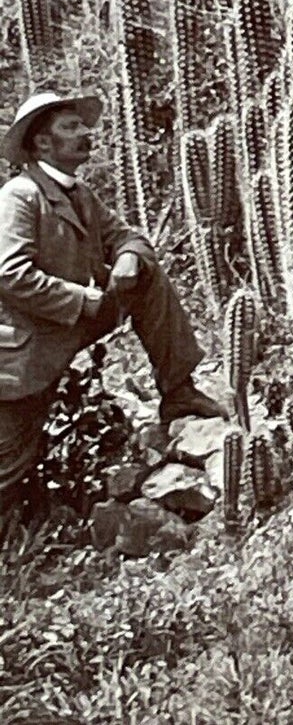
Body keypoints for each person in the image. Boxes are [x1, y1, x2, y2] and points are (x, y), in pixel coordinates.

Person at [0, 90, 227, 507]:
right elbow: (8, 274)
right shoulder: (20, 195)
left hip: (69, 324)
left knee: (145, 276)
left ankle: (179, 389)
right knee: (11, 465)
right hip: (24, 353)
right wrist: (82, 300)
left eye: (82, 125)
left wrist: (126, 258)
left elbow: (128, 237)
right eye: (71, 127)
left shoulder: (79, 193)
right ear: (41, 143)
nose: (85, 133)